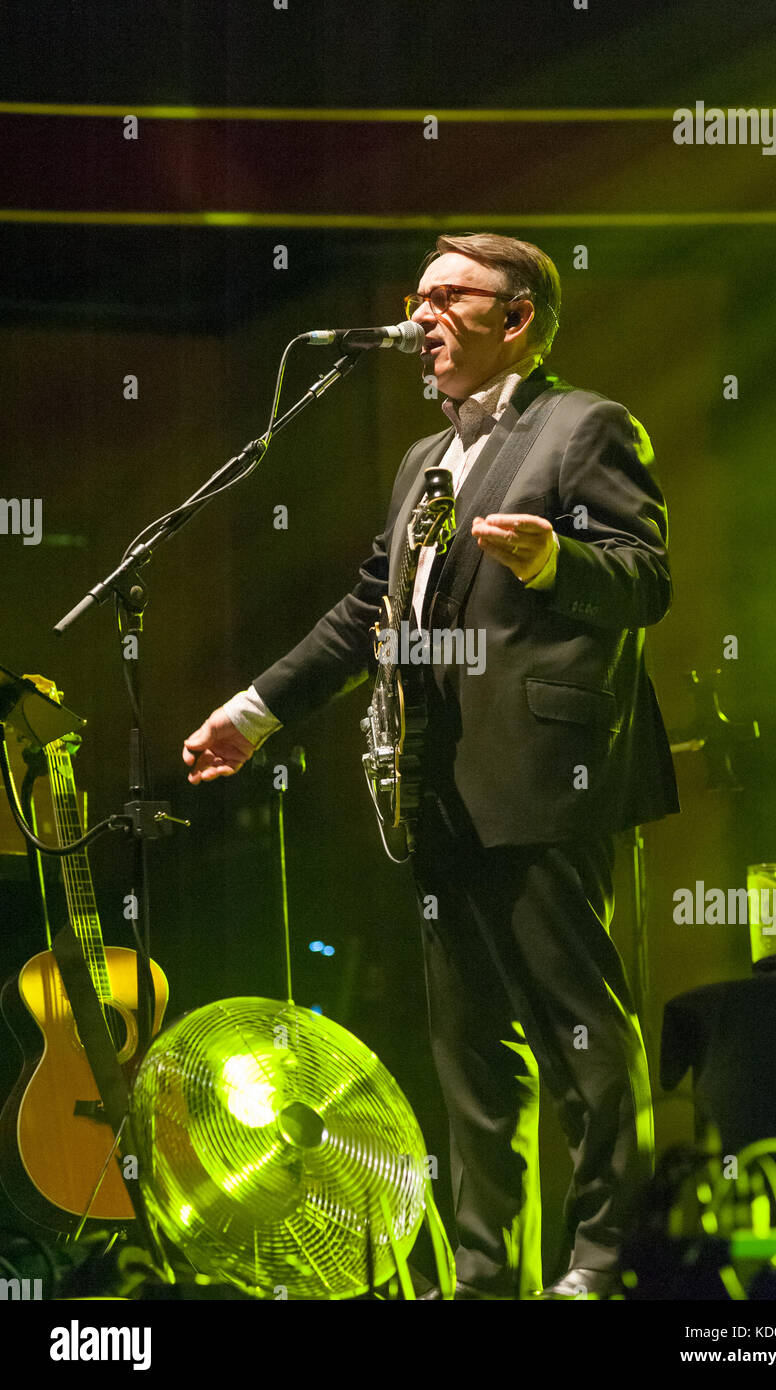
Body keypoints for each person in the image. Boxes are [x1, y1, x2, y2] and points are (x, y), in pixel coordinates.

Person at [182, 233, 679, 1300]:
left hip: (544, 777)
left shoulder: (584, 425)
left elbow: (645, 578)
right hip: (433, 787)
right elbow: (369, 609)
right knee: (472, 1053)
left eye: (450, 297)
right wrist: (256, 711)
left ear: (518, 317)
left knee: (582, 1035)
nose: (423, 317)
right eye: (418, 297)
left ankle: (605, 1264)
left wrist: (555, 560)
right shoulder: (425, 459)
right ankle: (489, 1276)